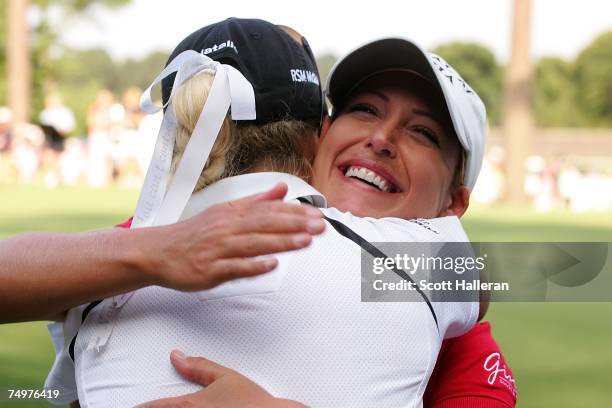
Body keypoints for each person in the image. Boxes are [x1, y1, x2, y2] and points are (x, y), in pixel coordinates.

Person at [62, 19, 482, 408]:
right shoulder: (134, 253)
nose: (380, 138)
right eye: (365, 109)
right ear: (319, 134)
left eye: (423, 132)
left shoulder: (110, 275)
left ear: (454, 206)